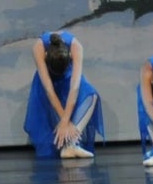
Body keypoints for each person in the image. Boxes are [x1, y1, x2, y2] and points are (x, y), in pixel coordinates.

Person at [23, 30, 104, 159]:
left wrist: (66, 121)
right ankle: (67, 145)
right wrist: (64, 120)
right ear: (46, 56)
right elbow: (49, 89)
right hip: (47, 83)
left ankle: (71, 145)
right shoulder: (39, 48)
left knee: (91, 95)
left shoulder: (76, 47)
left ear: (70, 56)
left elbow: (75, 87)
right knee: (48, 107)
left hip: (68, 79)